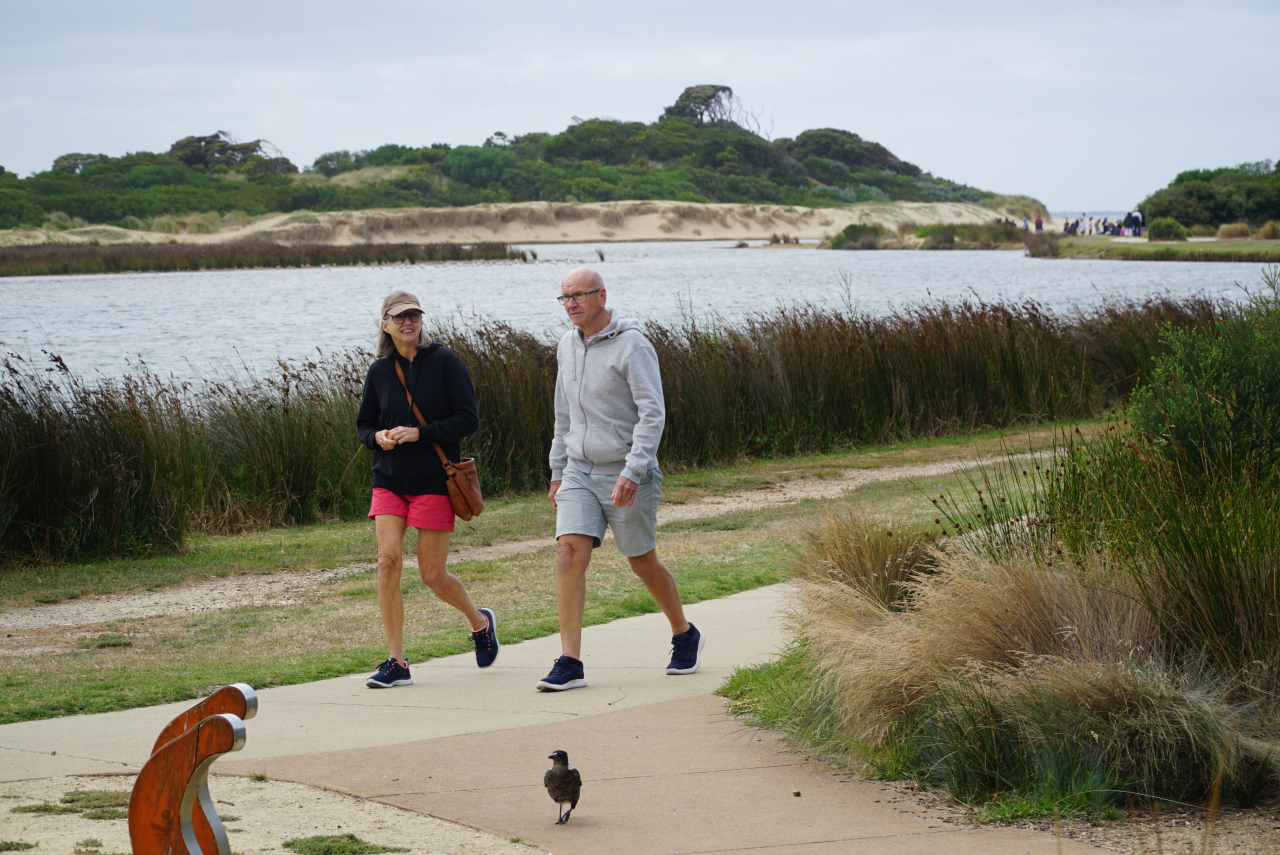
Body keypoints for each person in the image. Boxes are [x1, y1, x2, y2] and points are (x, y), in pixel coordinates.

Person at [537, 267, 704, 691]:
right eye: (565, 297)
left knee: (642, 563)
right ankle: (570, 661)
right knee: (568, 554)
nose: (571, 303)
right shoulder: (566, 346)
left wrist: (633, 470)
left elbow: (653, 414)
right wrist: (557, 470)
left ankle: (684, 632)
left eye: (579, 295)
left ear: (601, 295)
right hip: (578, 469)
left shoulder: (633, 345)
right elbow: (562, 415)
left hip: (627, 472)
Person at [355, 290, 498, 688]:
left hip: (435, 481)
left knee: (433, 575)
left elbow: (468, 419)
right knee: (388, 562)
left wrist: (420, 433)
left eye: (414, 316)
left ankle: (480, 622)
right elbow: (363, 425)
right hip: (388, 480)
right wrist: (378, 437)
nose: (408, 323)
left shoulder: (445, 362)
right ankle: (396, 662)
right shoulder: (379, 371)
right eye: (400, 318)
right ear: (385, 325)